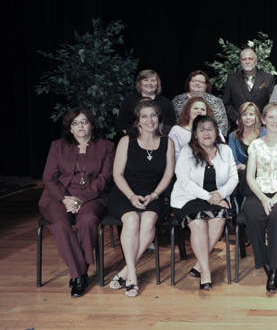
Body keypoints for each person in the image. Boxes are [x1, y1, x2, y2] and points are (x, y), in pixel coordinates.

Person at [38, 108, 115, 297]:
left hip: (92, 197)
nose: (80, 126)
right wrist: (65, 199)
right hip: (58, 197)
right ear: (70, 128)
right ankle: (80, 273)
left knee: (88, 220)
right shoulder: (58, 146)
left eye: (84, 121)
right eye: (75, 123)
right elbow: (49, 178)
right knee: (60, 225)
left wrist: (81, 199)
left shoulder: (107, 146)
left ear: (92, 124)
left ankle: (78, 272)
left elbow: (104, 179)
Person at [107, 100, 176, 297]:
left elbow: (168, 174)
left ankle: (126, 270)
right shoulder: (126, 141)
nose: (149, 120)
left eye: (153, 115)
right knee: (131, 219)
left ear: (159, 118)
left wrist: (154, 194)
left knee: (148, 220)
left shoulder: (167, 142)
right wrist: (131, 196)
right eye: (144, 116)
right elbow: (117, 174)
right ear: (137, 120)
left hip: (153, 193)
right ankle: (132, 276)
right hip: (124, 193)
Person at [170, 115, 238, 290]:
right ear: (195, 134)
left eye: (210, 129)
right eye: (202, 129)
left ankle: (200, 265)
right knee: (198, 223)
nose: (206, 133)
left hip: (217, 197)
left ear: (216, 132)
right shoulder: (187, 151)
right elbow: (184, 181)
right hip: (189, 198)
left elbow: (233, 178)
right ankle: (206, 272)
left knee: (220, 216)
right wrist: (209, 197)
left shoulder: (225, 151)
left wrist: (221, 194)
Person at [244, 103, 277, 293]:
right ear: (263, 120)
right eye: (271, 117)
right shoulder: (256, 145)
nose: (275, 121)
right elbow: (250, 176)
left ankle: (274, 269)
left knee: (276, 218)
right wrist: (262, 197)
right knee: (254, 219)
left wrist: (274, 198)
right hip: (259, 192)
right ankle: (264, 262)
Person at [223, 47, 275, 126]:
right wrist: (237, 119)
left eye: (250, 59)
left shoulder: (268, 78)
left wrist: (261, 119)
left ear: (256, 61)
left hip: (261, 126)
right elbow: (226, 104)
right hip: (239, 127)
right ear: (241, 61)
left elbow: (271, 103)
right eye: (244, 59)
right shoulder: (232, 79)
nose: (247, 62)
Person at [117, 69, 177, 134]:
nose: (149, 83)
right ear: (139, 82)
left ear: (157, 83)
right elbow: (124, 124)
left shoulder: (166, 102)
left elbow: (171, 123)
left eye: (153, 80)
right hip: (135, 139)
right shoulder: (129, 101)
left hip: (160, 139)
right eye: (146, 80)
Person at [172, 70, 229, 137]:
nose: (197, 83)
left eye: (201, 82)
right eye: (194, 81)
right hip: (182, 137)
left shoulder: (216, 101)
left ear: (206, 85)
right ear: (189, 83)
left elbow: (223, 126)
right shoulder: (178, 100)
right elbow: (172, 121)